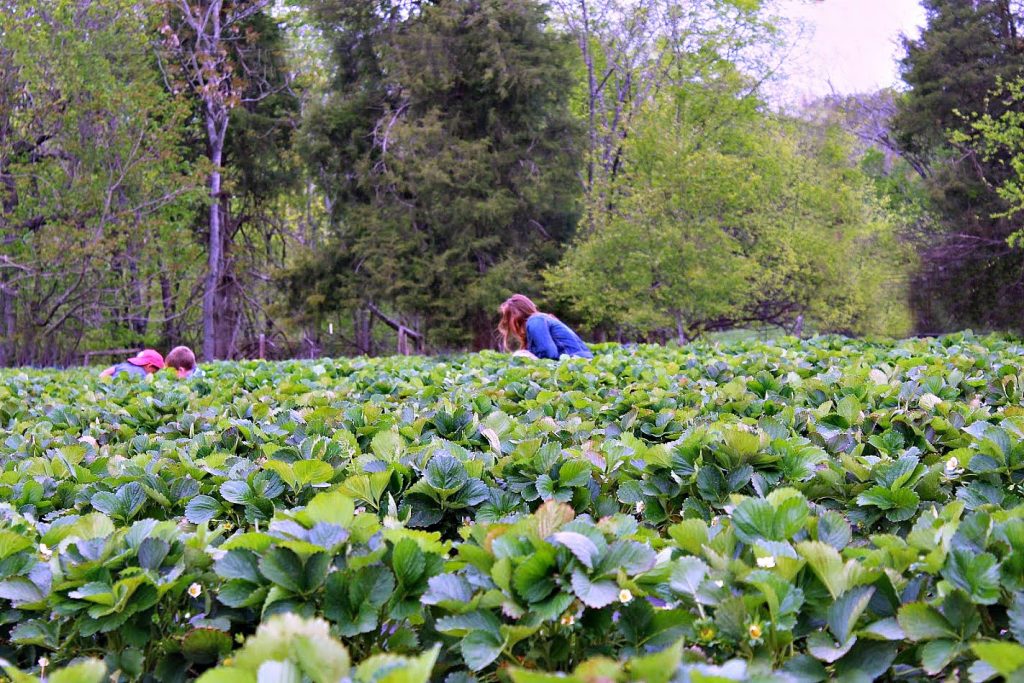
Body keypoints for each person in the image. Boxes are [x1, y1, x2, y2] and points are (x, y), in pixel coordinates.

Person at [498, 294, 593, 360]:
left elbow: (550, 354)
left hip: (576, 363)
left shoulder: (535, 321)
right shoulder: (539, 320)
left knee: (520, 355)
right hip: (581, 362)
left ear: (515, 315)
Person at [99, 349, 165, 378]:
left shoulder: (123, 365)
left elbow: (105, 373)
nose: (151, 375)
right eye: (153, 372)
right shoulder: (142, 375)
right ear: (149, 366)